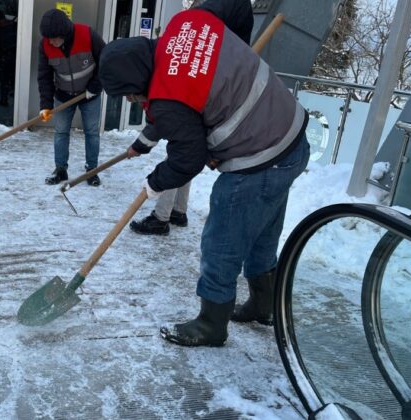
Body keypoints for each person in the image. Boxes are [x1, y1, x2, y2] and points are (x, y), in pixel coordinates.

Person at [98, 0, 310, 347]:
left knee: (221, 243)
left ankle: (212, 323)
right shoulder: (189, 22)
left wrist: (154, 183)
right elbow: (234, 6)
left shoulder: (168, 98)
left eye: (131, 94)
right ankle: (263, 303)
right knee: (261, 232)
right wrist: (236, 47)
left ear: (136, 79)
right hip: (291, 137)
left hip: (256, 155)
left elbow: (189, 157)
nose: (134, 100)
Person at [129, 0, 254, 236]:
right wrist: (140, 144)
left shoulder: (200, 29)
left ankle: (161, 217)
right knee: (187, 155)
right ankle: (178, 211)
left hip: (206, 104)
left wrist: (141, 144)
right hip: (205, 103)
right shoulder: (205, 31)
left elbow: (163, 115)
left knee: (180, 157)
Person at [38, 9, 106, 186]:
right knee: (60, 132)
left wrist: (95, 86)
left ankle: (92, 170)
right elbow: (44, 76)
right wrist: (45, 105)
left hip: (89, 94)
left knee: (91, 132)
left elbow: (107, 61)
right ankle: (60, 170)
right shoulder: (45, 45)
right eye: (48, 38)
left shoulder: (87, 35)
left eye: (54, 38)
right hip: (63, 95)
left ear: (63, 33)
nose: (50, 42)